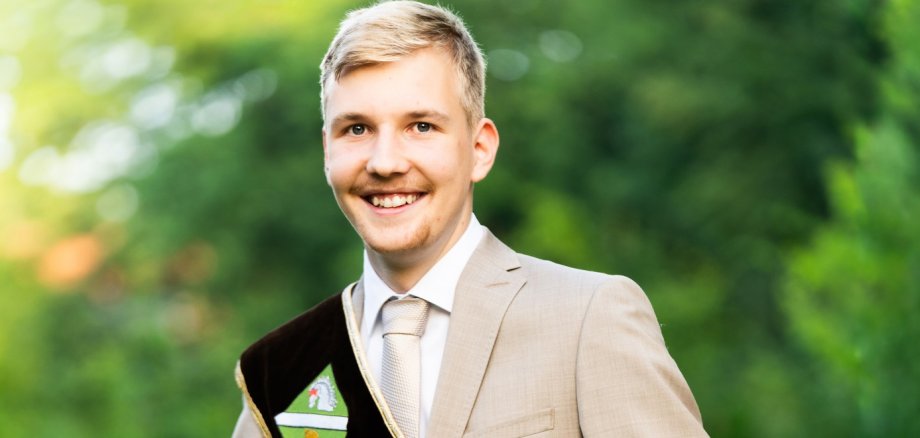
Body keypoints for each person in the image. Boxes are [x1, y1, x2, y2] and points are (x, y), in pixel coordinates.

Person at [232, 1, 707, 437]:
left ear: (479, 149)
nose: (385, 162)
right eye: (357, 129)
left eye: (421, 127)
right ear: (327, 151)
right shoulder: (282, 368)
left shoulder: (588, 317)